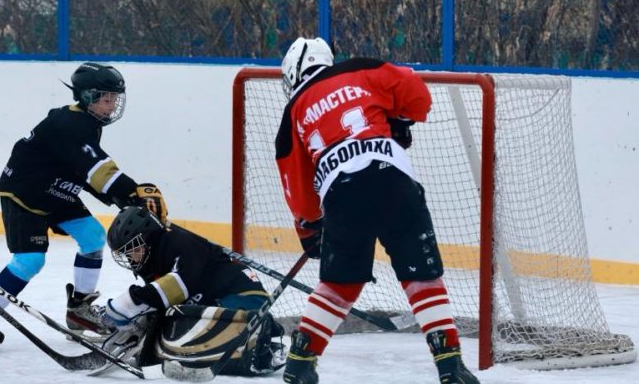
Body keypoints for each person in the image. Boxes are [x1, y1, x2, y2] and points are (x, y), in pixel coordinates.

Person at [274, 37, 479, 384]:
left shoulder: (292, 113)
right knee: (421, 274)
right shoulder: (361, 68)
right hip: (392, 180)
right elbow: (418, 96)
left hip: (341, 195)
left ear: (293, 73)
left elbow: (300, 193)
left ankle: (299, 364)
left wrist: (310, 228)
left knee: (339, 283)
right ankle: (450, 366)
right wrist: (399, 118)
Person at [0, 62, 166, 351]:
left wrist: (123, 198)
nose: (112, 106)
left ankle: (79, 311)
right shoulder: (70, 123)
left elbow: (83, 169)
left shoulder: (86, 124)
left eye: (114, 99)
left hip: (56, 192)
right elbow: (97, 167)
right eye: (107, 99)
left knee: (93, 237)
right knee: (29, 261)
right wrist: (130, 191)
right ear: (87, 96)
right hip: (25, 193)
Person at [99, 205, 286, 380]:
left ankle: (260, 344)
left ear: (148, 238)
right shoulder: (153, 261)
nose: (130, 257)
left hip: (244, 298)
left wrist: (131, 302)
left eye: (133, 249)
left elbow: (180, 285)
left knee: (183, 332)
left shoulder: (180, 242)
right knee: (170, 328)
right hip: (215, 303)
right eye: (126, 253)